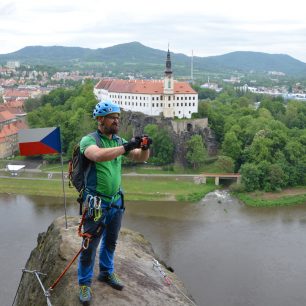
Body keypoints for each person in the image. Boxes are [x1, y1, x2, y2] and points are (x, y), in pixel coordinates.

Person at [78, 100, 151, 304]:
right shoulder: (89, 141)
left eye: (118, 117)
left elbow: (139, 157)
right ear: (100, 119)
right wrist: (126, 146)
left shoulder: (118, 140)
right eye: (112, 117)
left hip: (116, 201)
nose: (117, 121)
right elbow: (99, 156)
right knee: (90, 245)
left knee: (111, 241)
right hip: (96, 204)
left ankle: (106, 272)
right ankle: (84, 283)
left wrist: (144, 147)